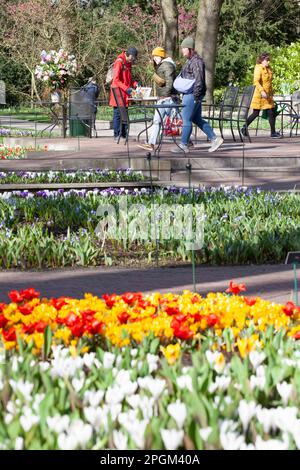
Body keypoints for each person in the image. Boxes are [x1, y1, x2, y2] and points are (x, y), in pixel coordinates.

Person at [171, 37, 223, 154]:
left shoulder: (196, 62)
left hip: (191, 95)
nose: (182, 50)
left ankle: (183, 145)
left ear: (190, 49)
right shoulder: (191, 61)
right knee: (196, 119)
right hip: (193, 95)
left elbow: (199, 80)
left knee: (186, 119)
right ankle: (215, 139)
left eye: (184, 48)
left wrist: (196, 97)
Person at [139, 47, 176, 151]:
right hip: (163, 99)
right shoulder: (162, 65)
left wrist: (166, 95)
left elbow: (169, 82)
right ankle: (151, 144)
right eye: (154, 56)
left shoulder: (167, 65)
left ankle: (188, 140)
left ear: (161, 55)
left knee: (178, 121)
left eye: (156, 56)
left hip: (167, 99)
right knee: (157, 121)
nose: (154, 58)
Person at [242, 52, 281, 138]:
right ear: (262, 60)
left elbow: (269, 82)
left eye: (269, 60)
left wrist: (271, 92)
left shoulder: (269, 68)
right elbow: (256, 82)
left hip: (268, 96)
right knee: (256, 113)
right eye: (267, 60)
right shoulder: (258, 68)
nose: (268, 62)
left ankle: (273, 133)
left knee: (271, 112)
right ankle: (244, 127)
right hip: (260, 95)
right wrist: (262, 91)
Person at [109, 47, 139, 142]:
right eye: (132, 57)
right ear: (128, 54)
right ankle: (117, 135)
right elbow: (116, 80)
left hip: (125, 93)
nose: (133, 60)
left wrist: (135, 84)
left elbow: (129, 79)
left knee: (124, 113)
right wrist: (127, 89)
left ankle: (124, 134)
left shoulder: (128, 63)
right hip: (118, 93)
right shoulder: (119, 62)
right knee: (118, 114)